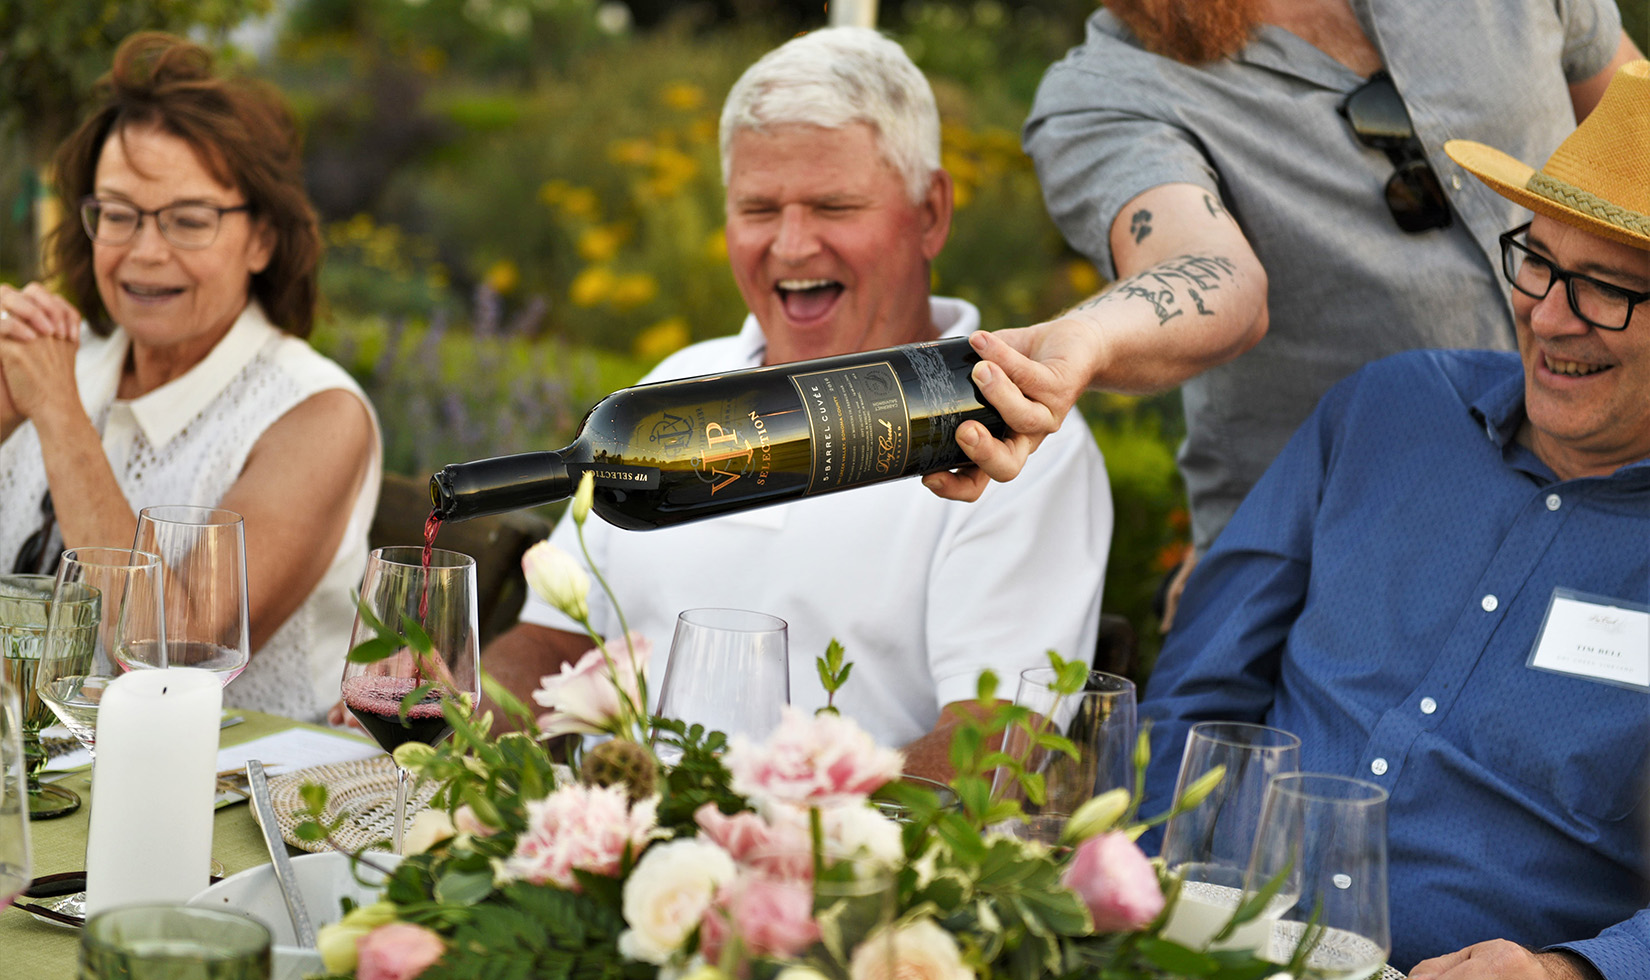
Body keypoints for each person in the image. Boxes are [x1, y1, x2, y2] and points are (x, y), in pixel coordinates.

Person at [481, 27, 1112, 775]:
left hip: (839, 872)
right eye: (758, 207)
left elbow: (991, 749)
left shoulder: (1012, 435)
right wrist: (455, 710)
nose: (790, 245)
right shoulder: (675, 390)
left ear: (932, 212)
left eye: (834, 205)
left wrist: (780, 836)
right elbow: (553, 645)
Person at [1138, 60, 1650, 979]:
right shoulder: (1388, 410)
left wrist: (1569, 972)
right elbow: (1199, 695)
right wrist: (1146, 891)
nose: (1549, 318)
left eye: (1606, 289)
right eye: (1537, 261)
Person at [923, 0, 1641, 626]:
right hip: (1344, 568)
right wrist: (1085, 339)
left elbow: (1633, 138)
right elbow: (1216, 277)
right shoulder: (1106, 93)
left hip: (1619, 505)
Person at [0, 32, 382, 723]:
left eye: (188, 220)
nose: (145, 252)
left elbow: (175, 660)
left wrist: (56, 415)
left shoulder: (318, 415)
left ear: (262, 237)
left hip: (236, 807)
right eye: (117, 214)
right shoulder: (66, 359)